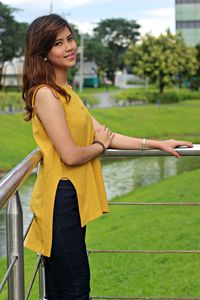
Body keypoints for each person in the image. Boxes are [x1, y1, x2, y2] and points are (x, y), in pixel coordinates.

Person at [22, 14, 192, 300]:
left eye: (70, 39)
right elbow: (72, 154)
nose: (69, 47)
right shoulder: (45, 95)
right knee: (75, 289)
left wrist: (157, 143)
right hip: (59, 200)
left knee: (66, 288)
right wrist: (99, 147)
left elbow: (106, 135)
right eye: (58, 43)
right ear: (44, 54)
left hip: (70, 197)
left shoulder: (67, 93)